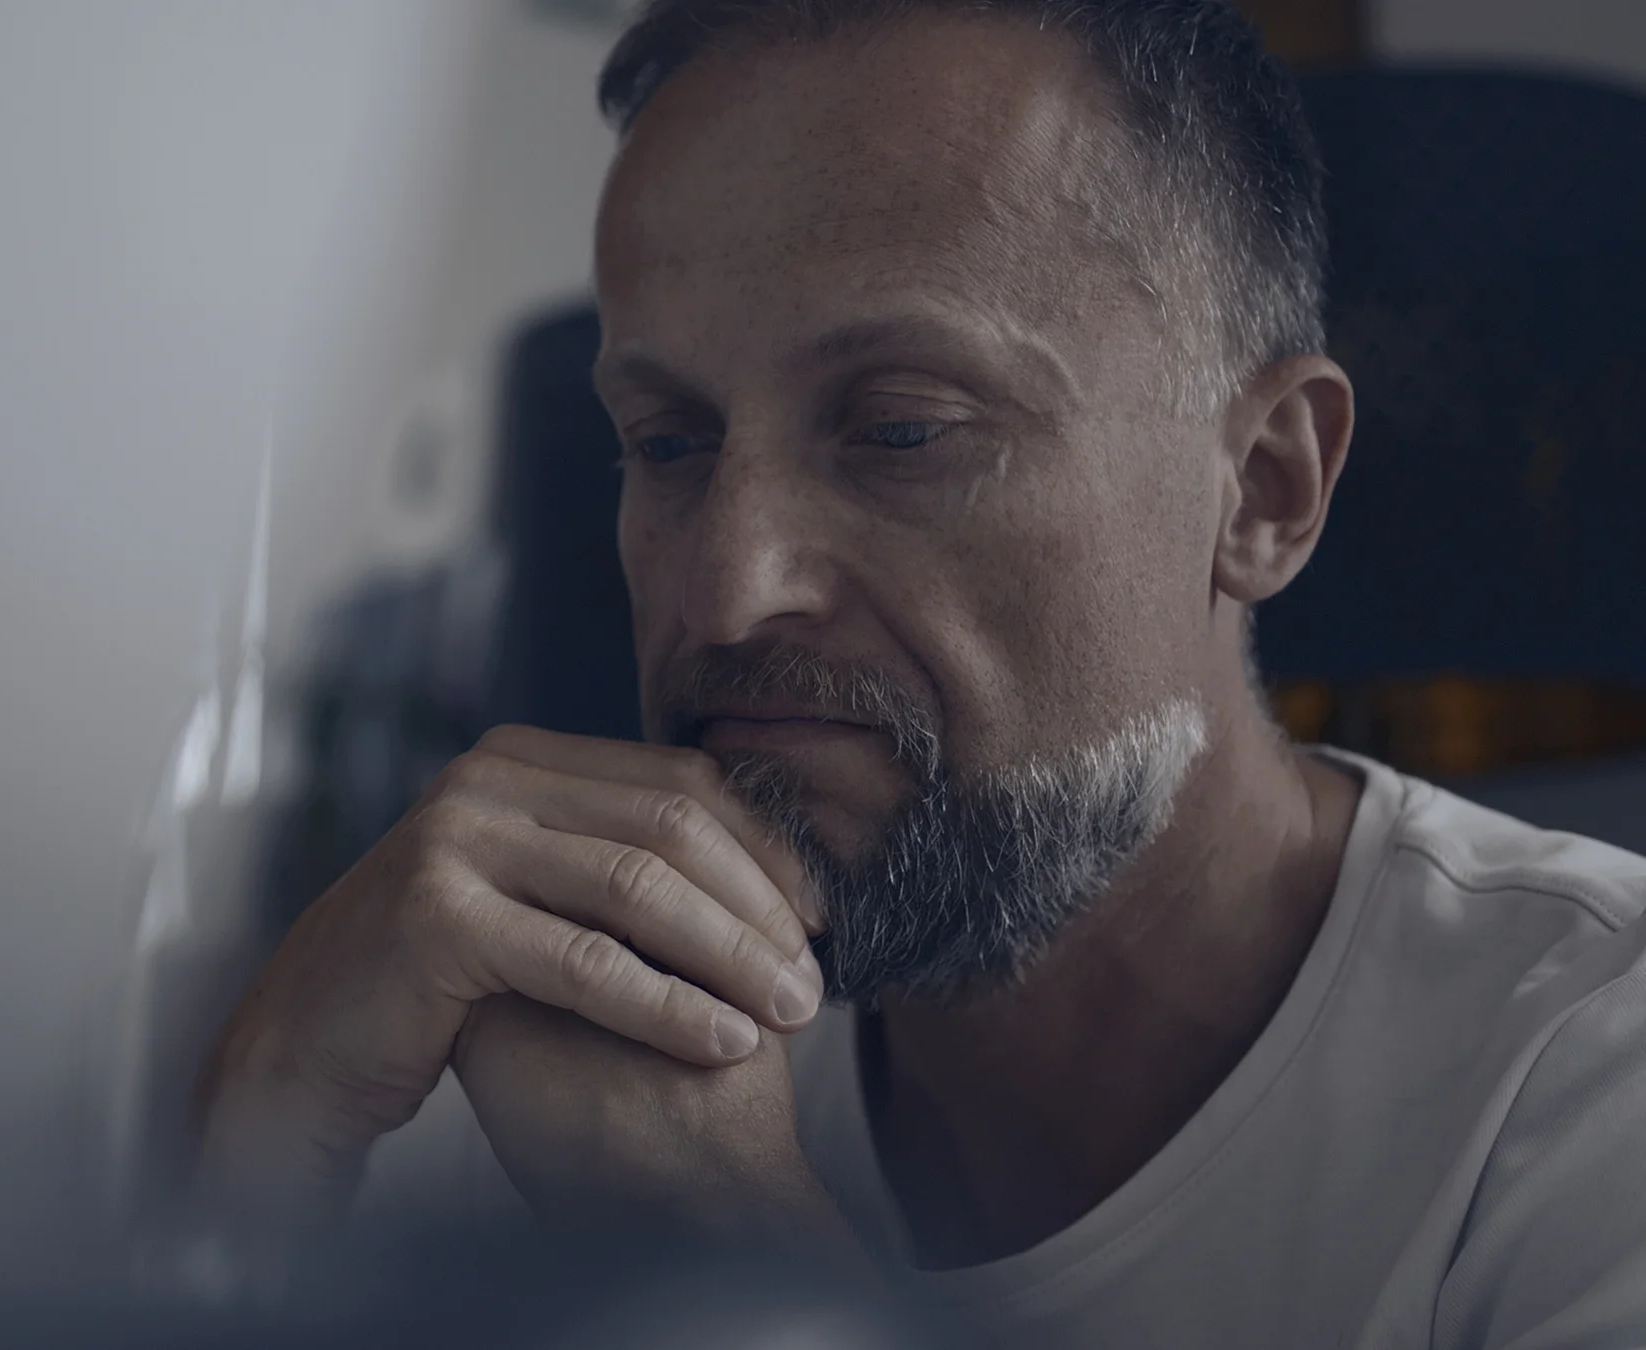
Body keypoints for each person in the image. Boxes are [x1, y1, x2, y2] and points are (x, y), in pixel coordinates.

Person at [193, 1, 1646, 1344]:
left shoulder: (1589, 1088)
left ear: (1263, 487)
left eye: (900, 428)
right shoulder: (517, 1068)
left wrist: (738, 1262)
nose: (725, 585)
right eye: (668, 442)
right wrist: (241, 1183)